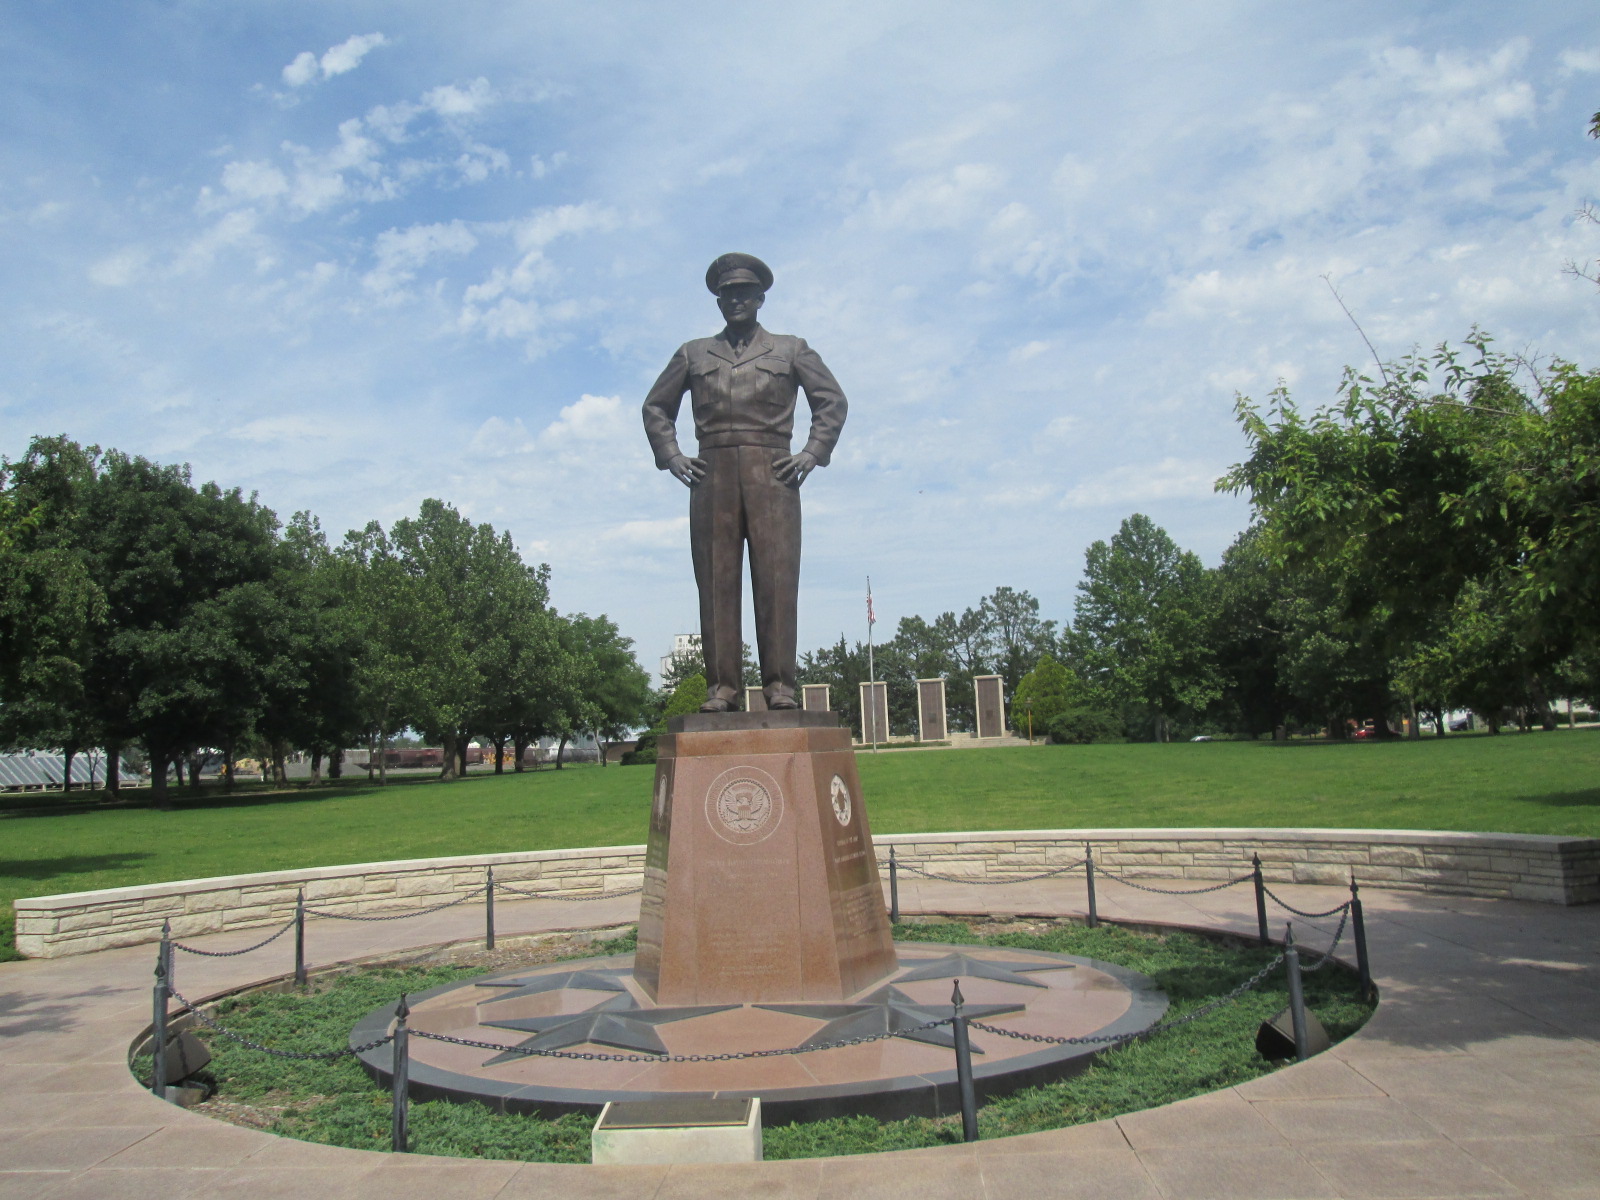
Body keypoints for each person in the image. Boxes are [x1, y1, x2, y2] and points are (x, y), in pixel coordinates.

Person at [642, 253, 848, 712]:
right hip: (711, 474)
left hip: (773, 472)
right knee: (716, 583)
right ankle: (723, 688)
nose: (735, 300)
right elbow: (656, 407)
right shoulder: (693, 353)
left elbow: (831, 401)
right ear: (718, 301)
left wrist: (813, 452)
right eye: (726, 293)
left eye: (743, 292)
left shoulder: (791, 349)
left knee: (776, 580)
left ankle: (780, 687)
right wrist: (671, 455)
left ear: (759, 298)